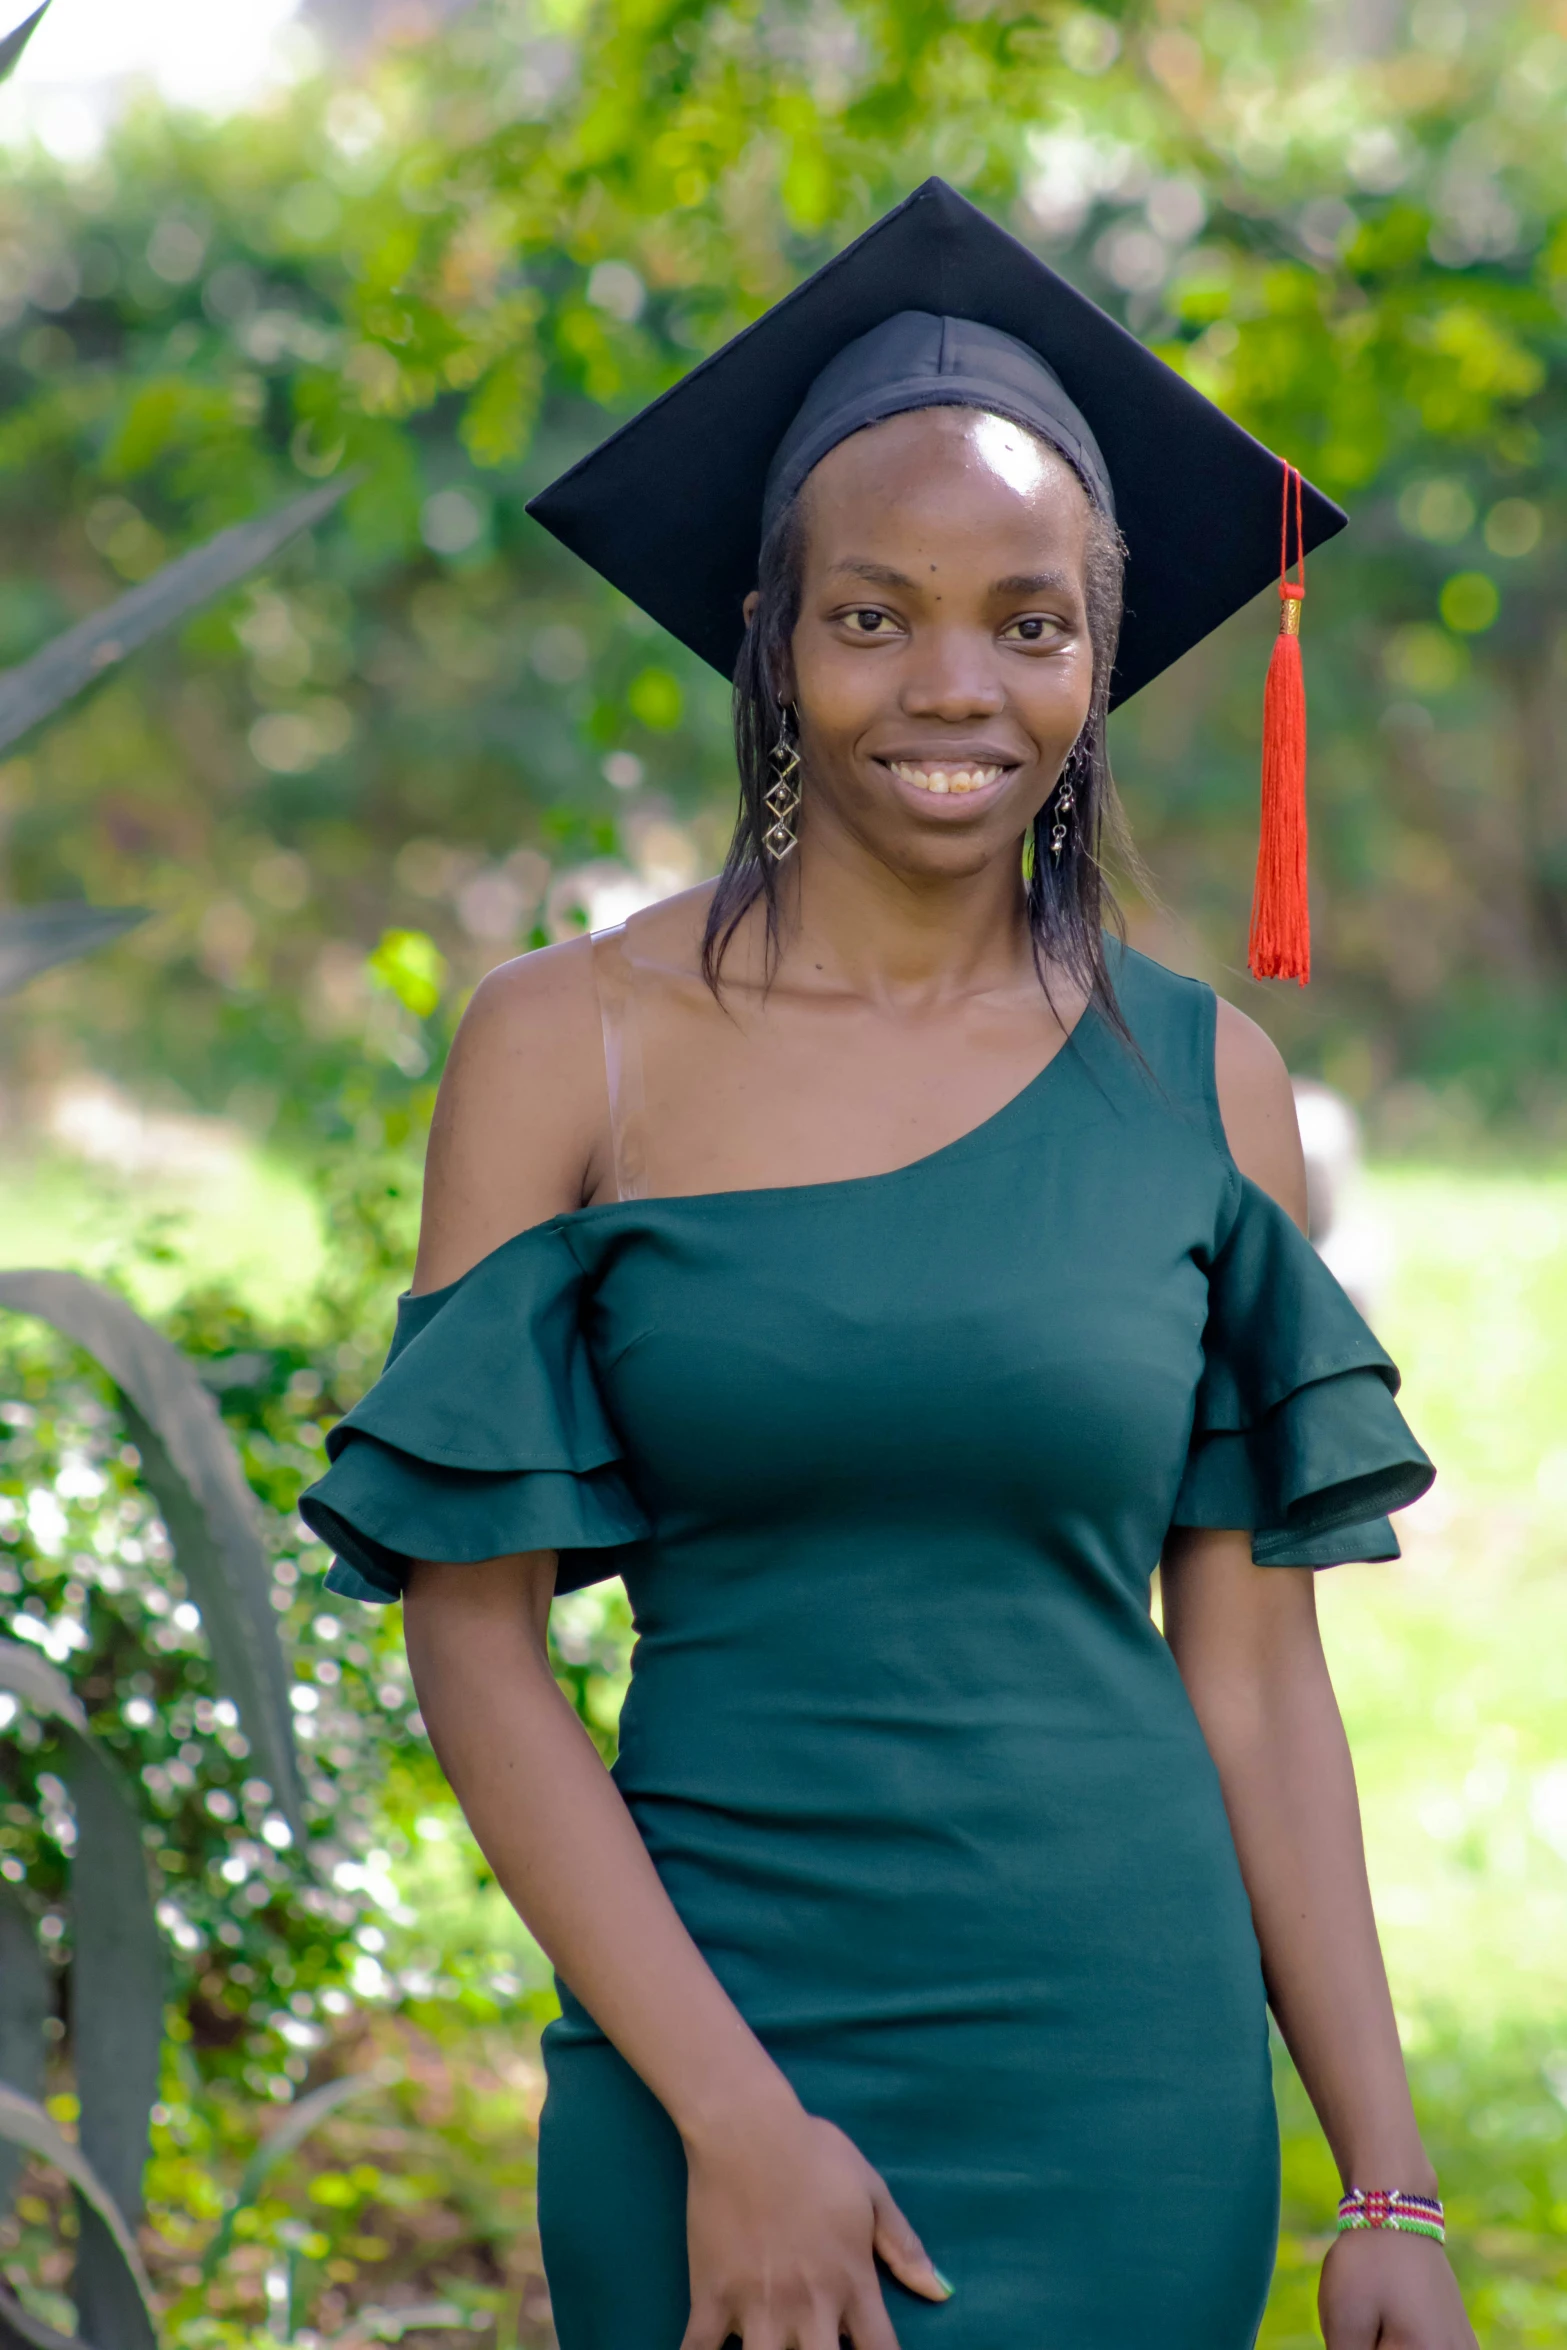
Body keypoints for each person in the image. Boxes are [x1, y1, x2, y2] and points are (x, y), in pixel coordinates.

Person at [302, 181, 1475, 2350]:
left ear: (1103, 644)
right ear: (772, 630)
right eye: (877, 617)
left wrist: (1385, 2177)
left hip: (1126, 2079)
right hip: (709, 2040)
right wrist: (734, 2119)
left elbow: (1255, 1677)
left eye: (1029, 620)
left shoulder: (1212, 1086)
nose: (958, 684)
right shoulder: (575, 1045)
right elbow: (474, 1650)